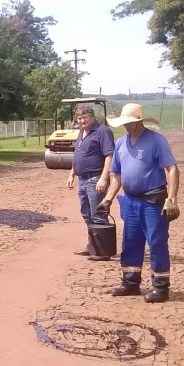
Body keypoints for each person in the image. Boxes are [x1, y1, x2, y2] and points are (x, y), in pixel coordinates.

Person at [97, 103, 180, 303]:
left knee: (157, 242)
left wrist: (172, 199)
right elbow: (116, 176)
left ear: (140, 121)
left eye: (130, 122)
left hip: (153, 201)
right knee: (130, 242)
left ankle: (161, 287)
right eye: (124, 123)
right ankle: (130, 283)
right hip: (130, 201)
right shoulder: (121, 144)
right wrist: (107, 199)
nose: (126, 126)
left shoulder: (156, 140)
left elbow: (173, 169)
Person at [66, 105, 115, 260]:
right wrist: (72, 174)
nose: (82, 121)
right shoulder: (81, 132)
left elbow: (109, 155)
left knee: (98, 214)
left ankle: (102, 251)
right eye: (79, 119)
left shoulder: (102, 131)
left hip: (95, 179)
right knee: (87, 214)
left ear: (92, 117)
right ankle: (92, 246)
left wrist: (103, 177)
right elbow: (78, 154)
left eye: (85, 118)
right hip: (82, 179)